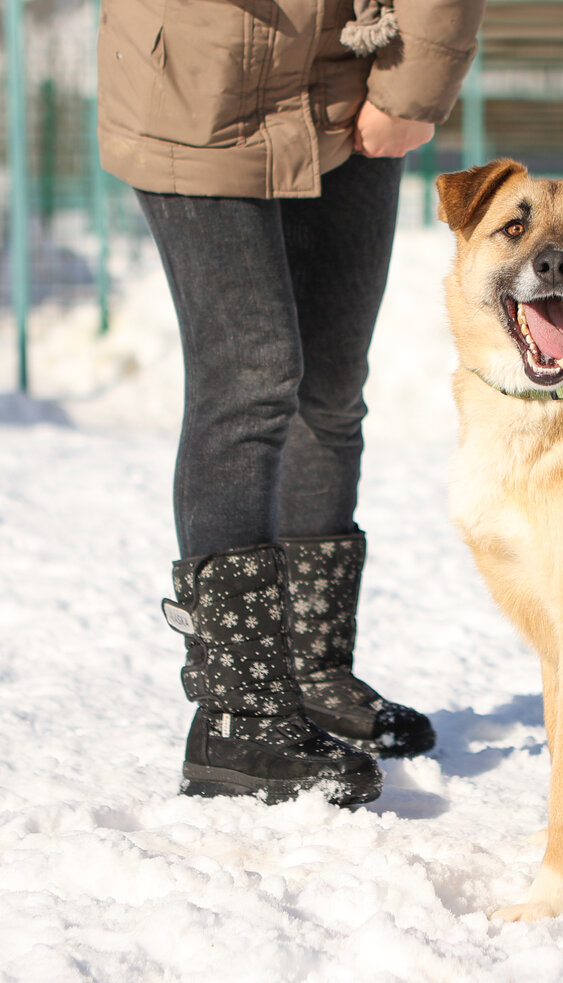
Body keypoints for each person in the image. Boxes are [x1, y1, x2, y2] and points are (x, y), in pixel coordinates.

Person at [97, 0, 487, 805]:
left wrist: (412, 86)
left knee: (331, 387)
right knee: (252, 377)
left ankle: (309, 671)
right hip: (194, 83)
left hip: (350, 78)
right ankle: (237, 718)